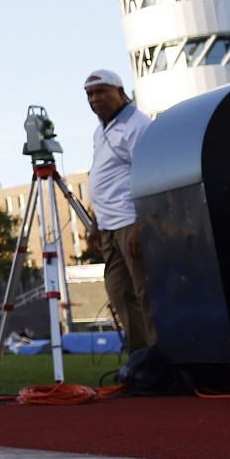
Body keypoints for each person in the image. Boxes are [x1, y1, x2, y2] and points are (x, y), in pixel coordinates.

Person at [84, 68, 155, 354]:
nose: (94, 99)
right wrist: (96, 223)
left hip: (129, 221)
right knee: (119, 292)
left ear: (120, 92)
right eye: (89, 94)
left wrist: (141, 222)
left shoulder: (137, 125)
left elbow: (147, 172)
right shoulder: (101, 131)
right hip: (109, 226)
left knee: (145, 291)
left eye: (101, 91)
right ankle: (140, 356)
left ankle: (161, 356)